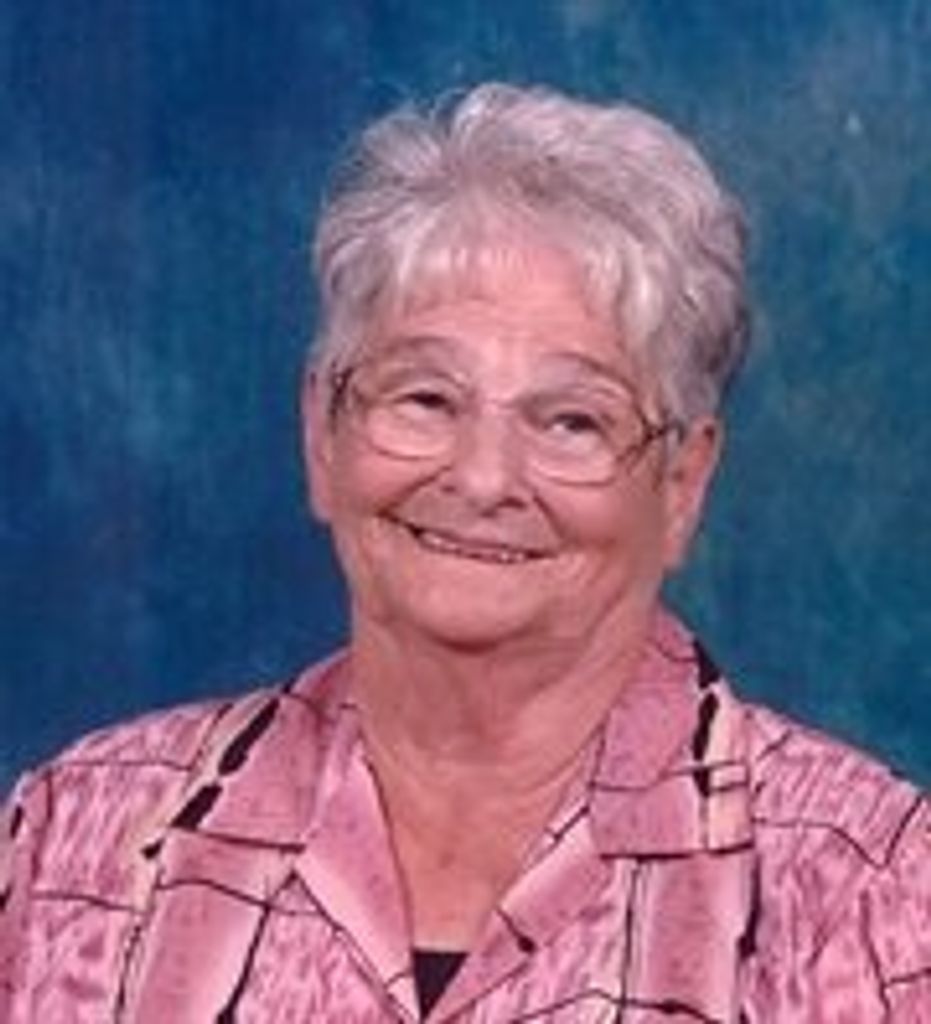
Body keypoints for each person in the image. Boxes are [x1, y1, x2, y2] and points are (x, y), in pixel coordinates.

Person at [1, 82, 928, 1023]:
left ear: (681, 482)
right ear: (322, 431)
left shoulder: (866, 895)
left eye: (571, 420)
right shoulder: (75, 849)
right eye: (425, 399)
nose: (483, 478)